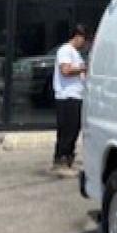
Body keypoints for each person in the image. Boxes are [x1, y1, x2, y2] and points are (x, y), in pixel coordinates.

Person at [52, 25, 88, 170]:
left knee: (74, 128)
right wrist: (84, 68)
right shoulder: (65, 50)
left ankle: (68, 156)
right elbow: (65, 70)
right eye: (83, 39)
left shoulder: (75, 53)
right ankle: (61, 158)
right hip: (67, 96)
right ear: (77, 36)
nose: (84, 43)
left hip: (76, 95)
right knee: (68, 129)